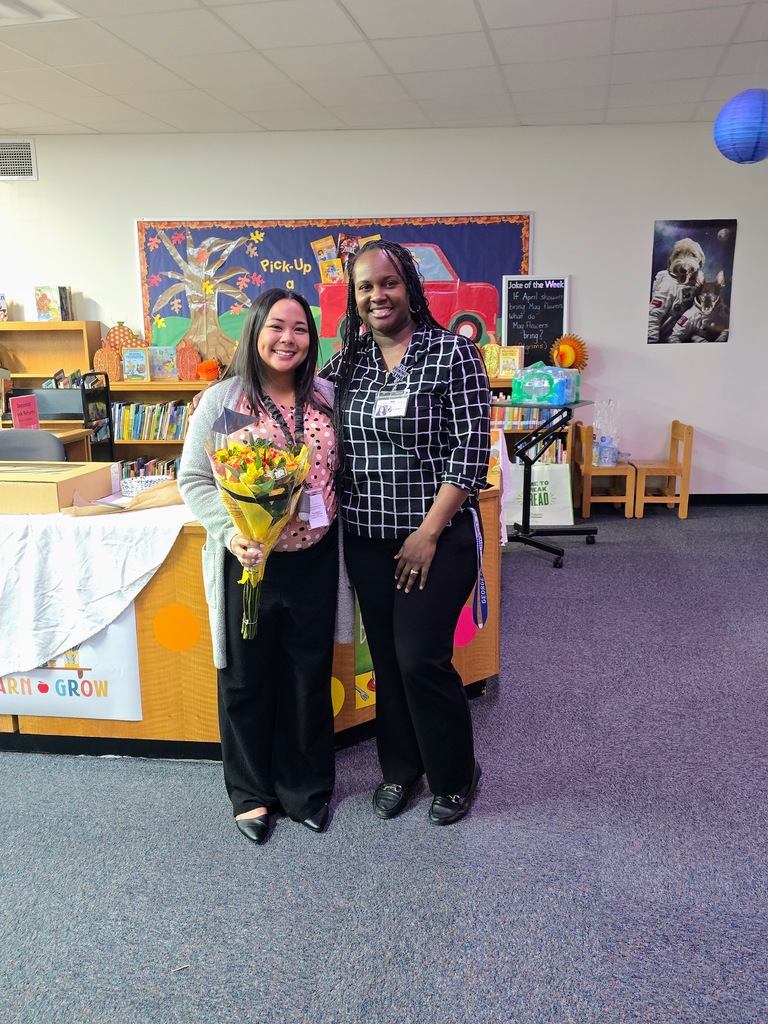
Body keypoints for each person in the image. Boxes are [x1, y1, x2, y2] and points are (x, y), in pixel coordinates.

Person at [321, 240, 491, 826]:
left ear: (410, 287)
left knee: (421, 658)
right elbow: (290, 393)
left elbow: (470, 452)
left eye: (388, 283)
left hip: (437, 538)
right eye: (365, 287)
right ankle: (400, 769)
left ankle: (455, 773)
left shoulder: (453, 354)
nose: (377, 296)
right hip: (367, 540)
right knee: (388, 662)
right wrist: (228, 396)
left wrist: (427, 533)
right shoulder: (348, 364)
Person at [178, 288, 338, 845]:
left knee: (308, 677)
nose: (288, 339)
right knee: (245, 679)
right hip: (248, 565)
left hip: (314, 561)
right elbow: (195, 479)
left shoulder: (326, 397)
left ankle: (305, 788)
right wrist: (231, 535)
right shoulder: (225, 401)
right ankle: (250, 793)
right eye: (277, 326)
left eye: (300, 329)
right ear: (255, 331)